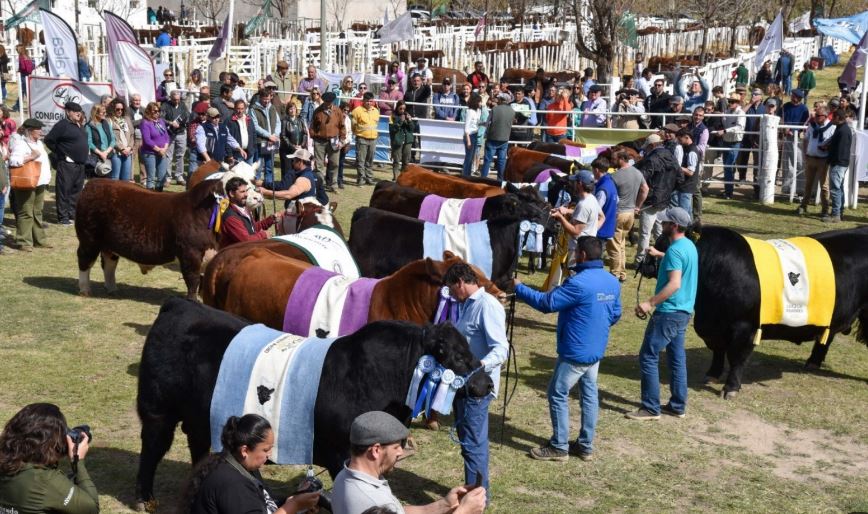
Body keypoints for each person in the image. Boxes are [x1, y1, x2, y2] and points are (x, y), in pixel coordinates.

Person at [515, 236, 621, 461]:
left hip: (576, 351)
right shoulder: (612, 281)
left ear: (582, 254)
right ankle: (585, 445)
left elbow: (547, 303)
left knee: (557, 393)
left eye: (575, 252)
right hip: (595, 350)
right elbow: (615, 314)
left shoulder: (578, 283)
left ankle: (559, 446)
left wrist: (519, 288)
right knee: (589, 395)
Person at [331, 411, 486, 514]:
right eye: (396, 447)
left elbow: (397, 511)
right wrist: (464, 511)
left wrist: (444, 504)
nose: (401, 452)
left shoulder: (344, 477)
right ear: (376, 450)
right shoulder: (371, 500)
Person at [443, 262, 509, 498]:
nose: (451, 295)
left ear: (461, 282)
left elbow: (501, 349)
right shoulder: (468, 305)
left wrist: (478, 365)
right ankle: (476, 493)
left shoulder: (487, 306)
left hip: (476, 388)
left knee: (473, 444)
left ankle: (477, 499)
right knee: (469, 442)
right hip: (465, 387)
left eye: (452, 289)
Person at [627, 206, 698, 421]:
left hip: (668, 313)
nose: (662, 224)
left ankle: (650, 408)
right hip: (684, 312)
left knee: (648, 356)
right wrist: (660, 255)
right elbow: (679, 263)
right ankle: (677, 405)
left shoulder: (675, 251)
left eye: (665, 222)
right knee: (677, 358)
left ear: (674, 226)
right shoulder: (688, 246)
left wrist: (650, 303)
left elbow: (674, 284)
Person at [182, 414, 319, 513]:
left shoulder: (243, 466)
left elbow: (264, 503)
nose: (269, 454)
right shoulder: (232, 486)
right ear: (245, 450)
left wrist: (296, 501)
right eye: (266, 450)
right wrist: (293, 505)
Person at [0, 403, 98, 512]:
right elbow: (91, 509)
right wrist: (77, 461)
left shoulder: (6, 464)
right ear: (50, 442)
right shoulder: (45, 482)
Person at [634, 134, 680, 265]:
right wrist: (668, 191)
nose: (646, 150)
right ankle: (661, 258)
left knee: (645, 233)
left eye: (647, 147)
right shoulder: (672, 157)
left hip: (651, 201)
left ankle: (640, 260)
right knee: (660, 232)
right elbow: (680, 178)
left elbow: (642, 178)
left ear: (652, 145)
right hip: (664, 200)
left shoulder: (651, 159)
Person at [9, 119, 51, 251]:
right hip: (27, 182)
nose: (41, 131)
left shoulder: (39, 143)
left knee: (37, 212)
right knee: (25, 212)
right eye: (38, 129)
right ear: (30, 131)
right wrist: (30, 157)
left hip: (40, 182)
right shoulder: (21, 144)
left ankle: (39, 240)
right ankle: (24, 241)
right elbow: (13, 161)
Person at [607, 150, 648, 282]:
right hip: (630, 214)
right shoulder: (637, 172)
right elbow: (645, 189)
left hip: (618, 213)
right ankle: (622, 273)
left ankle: (614, 274)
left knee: (614, 246)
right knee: (621, 244)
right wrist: (637, 206)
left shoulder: (614, 176)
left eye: (614, 159)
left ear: (621, 159)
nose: (612, 161)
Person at [44, 102, 88, 225]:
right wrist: (61, 153)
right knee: (64, 190)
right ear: (68, 112)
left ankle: (72, 214)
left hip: (80, 164)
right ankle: (63, 217)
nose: (78, 113)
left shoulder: (79, 125)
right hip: (67, 164)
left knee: (76, 191)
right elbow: (48, 140)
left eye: (79, 111)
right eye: (75, 111)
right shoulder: (62, 125)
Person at [552, 170, 603, 263]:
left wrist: (560, 217)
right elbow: (602, 217)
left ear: (579, 184)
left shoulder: (583, 205)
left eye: (575, 181)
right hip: (588, 246)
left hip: (578, 249)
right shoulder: (592, 198)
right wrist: (591, 231)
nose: (573, 184)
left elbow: (575, 232)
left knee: (574, 271)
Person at [218, 177, 281, 247]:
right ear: (231, 194)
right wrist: (263, 235)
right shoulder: (231, 218)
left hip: (248, 250)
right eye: (242, 192)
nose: (246, 194)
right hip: (238, 253)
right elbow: (246, 241)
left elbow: (252, 228)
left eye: (246, 191)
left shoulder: (243, 209)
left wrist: (270, 220)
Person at [796, 104, 835, 217]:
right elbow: (806, 139)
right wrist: (805, 153)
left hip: (823, 160)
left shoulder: (832, 127)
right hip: (811, 158)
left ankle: (825, 209)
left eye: (818, 115)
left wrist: (827, 147)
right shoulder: (812, 125)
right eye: (816, 115)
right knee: (808, 184)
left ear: (825, 116)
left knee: (824, 186)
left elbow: (834, 143)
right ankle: (804, 206)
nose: (815, 117)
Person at [258, 148, 325, 207]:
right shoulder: (306, 174)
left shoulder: (303, 179)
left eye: (294, 160)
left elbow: (289, 195)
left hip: (301, 214)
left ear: (300, 162)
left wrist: (266, 192)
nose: (292, 163)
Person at [310, 91, 346, 192]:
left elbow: (342, 126)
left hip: (334, 140)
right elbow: (312, 126)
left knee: (334, 163)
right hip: (320, 141)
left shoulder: (338, 111)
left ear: (332, 101)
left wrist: (341, 140)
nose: (328, 103)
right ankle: (320, 185)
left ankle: (333, 185)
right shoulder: (318, 111)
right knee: (319, 165)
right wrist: (314, 136)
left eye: (330, 102)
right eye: (326, 101)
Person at [711, 94, 745, 199]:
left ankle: (729, 192)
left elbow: (739, 127)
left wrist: (724, 131)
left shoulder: (741, 113)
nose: (730, 103)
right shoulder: (727, 111)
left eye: (733, 101)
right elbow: (724, 123)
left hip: (735, 142)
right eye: (729, 101)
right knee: (727, 166)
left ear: (738, 103)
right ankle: (728, 191)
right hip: (726, 141)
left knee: (728, 166)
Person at [824, 108, 852, 223]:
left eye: (833, 118)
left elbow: (840, 150)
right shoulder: (841, 128)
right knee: (839, 188)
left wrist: (831, 160)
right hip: (840, 162)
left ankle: (836, 215)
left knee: (835, 189)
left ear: (838, 118)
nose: (831, 120)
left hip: (838, 163)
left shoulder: (843, 131)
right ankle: (839, 213)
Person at [479, 93, 515, 180]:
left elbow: (487, 123)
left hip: (492, 138)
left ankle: (483, 179)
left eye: (499, 99)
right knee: (501, 161)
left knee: (487, 160)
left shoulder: (495, 109)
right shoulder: (512, 111)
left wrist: (479, 123)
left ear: (502, 100)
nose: (497, 100)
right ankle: (500, 180)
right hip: (504, 139)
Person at [781, 89, 810, 197]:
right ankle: (787, 189)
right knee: (787, 164)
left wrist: (795, 131)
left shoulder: (804, 109)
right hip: (787, 138)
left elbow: (805, 124)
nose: (792, 97)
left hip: (798, 139)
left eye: (795, 96)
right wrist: (784, 128)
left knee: (799, 163)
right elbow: (781, 119)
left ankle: (800, 189)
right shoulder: (785, 106)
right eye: (792, 95)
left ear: (799, 98)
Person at [250, 89, 282, 184]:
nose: (267, 101)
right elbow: (255, 126)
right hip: (260, 141)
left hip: (272, 141)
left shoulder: (272, 108)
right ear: (260, 98)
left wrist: (275, 135)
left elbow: (278, 122)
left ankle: (269, 185)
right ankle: (257, 186)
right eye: (265, 99)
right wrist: (269, 136)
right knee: (258, 167)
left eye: (268, 99)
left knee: (269, 167)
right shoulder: (253, 109)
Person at [139, 102, 171, 191]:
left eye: (159, 111)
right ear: (149, 111)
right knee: (151, 178)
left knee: (162, 176)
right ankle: (149, 196)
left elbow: (167, 136)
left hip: (162, 152)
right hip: (150, 153)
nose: (157, 113)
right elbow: (147, 140)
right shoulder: (145, 123)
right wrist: (159, 150)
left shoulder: (161, 121)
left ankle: (158, 196)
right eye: (155, 111)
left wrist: (164, 148)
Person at [160, 89, 189, 185]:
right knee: (168, 156)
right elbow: (161, 118)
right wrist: (170, 123)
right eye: (174, 99)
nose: (176, 101)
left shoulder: (182, 105)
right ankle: (167, 178)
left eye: (178, 99)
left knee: (180, 155)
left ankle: (179, 176)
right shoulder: (165, 105)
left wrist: (183, 121)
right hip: (169, 133)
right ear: (170, 98)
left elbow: (187, 115)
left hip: (181, 133)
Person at [351, 92, 379, 186]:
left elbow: (376, 125)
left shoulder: (376, 111)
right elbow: (353, 125)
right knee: (361, 160)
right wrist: (357, 134)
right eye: (367, 101)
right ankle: (361, 179)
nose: (369, 103)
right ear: (363, 101)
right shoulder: (357, 111)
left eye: (371, 101)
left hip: (373, 139)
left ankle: (369, 178)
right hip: (361, 139)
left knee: (370, 160)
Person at [672, 129, 699, 216]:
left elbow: (690, 172)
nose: (679, 142)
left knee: (683, 213)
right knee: (687, 212)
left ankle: (686, 225)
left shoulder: (692, 152)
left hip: (687, 186)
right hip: (685, 186)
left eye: (680, 139)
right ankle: (689, 224)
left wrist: (677, 166)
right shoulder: (687, 149)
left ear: (687, 137)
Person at [108, 100, 135, 182]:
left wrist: (129, 147)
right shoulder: (108, 120)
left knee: (126, 178)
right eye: (117, 109)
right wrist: (122, 149)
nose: (120, 111)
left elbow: (132, 134)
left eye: (122, 109)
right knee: (115, 178)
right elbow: (111, 137)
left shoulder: (126, 119)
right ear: (112, 109)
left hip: (128, 152)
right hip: (116, 152)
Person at [280, 103, 308, 179]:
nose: (293, 111)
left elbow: (305, 134)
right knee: (287, 170)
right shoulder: (284, 121)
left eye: (294, 108)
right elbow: (283, 136)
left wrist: (302, 145)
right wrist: (292, 146)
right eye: (291, 109)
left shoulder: (300, 121)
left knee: (297, 170)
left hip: (299, 150)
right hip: (287, 150)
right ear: (288, 110)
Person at [388, 100, 415, 180]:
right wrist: (400, 121)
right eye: (400, 108)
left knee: (406, 161)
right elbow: (392, 129)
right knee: (396, 161)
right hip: (397, 141)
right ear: (397, 108)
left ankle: (404, 178)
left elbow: (412, 129)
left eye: (404, 109)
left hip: (407, 141)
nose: (402, 110)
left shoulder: (407, 115)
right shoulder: (392, 116)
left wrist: (409, 121)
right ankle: (396, 178)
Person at [592, 157, 617, 243]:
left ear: (596, 170)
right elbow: (617, 201)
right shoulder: (611, 183)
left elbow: (595, 210)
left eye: (592, 170)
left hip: (599, 230)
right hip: (608, 227)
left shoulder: (602, 189)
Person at [85, 104, 115, 177]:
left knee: (108, 180)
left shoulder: (106, 123)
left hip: (108, 156)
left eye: (105, 112)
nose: (105, 114)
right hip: (96, 158)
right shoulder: (89, 126)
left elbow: (113, 139)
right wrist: (101, 154)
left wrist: (106, 152)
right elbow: (89, 142)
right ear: (96, 113)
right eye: (103, 112)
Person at [226, 99, 255, 164]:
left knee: (249, 171)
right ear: (234, 108)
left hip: (249, 153)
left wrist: (253, 148)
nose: (240, 111)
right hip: (236, 154)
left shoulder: (249, 119)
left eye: (242, 109)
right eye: (238, 108)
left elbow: (253, 134)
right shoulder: (229, 121)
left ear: (245, 109)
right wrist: (230, 154)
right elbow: (226, 138)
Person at [462, 93, 482, 176]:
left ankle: (467, 175)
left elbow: (477, 123)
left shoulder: (478, 111)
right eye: (479, 101)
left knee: (471, 157)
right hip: (469, 136)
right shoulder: (470, 111)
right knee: (469, 158)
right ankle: (465, 175)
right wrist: (468, 141)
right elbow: (466, 127)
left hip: (475, 135)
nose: (481, 103)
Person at [12, 46, 34, 110]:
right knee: (25, 91)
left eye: (17, 50)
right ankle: (17, 105)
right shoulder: (27, 56)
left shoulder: (21, 57)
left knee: (24, 91)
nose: (17, 51)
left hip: (23, 75)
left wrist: (19, 70)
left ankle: (20, 105)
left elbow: (23, 67)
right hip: (28, 74)